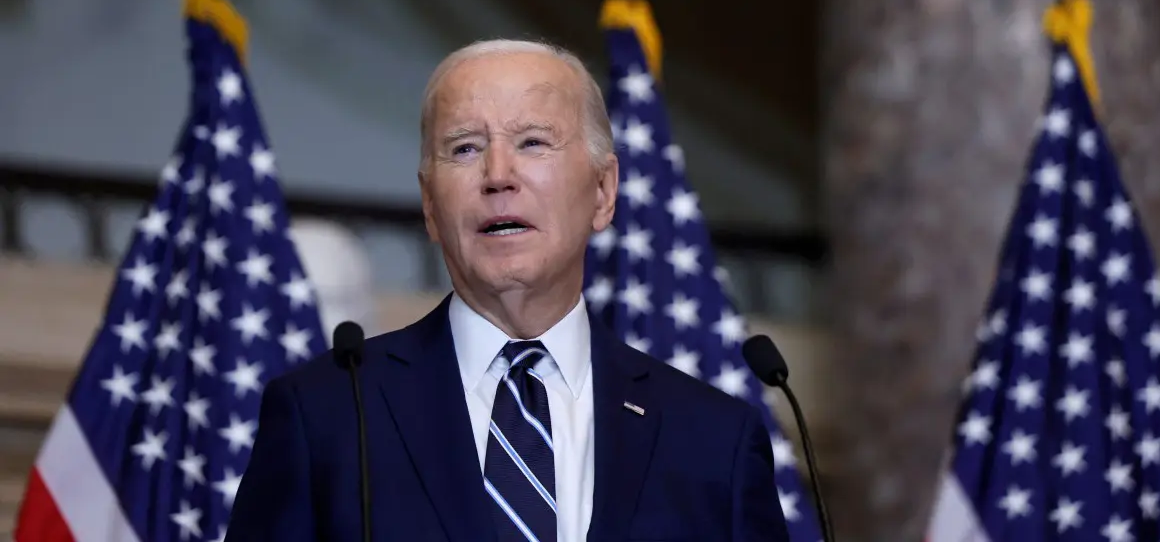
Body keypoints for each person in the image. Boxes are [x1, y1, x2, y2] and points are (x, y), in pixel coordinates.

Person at [225, 40, 790, 541]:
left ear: (602, 191)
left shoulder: (715, 442)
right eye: (466, 148)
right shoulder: (326, 415)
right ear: (429, 203)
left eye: (534, 142)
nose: (498, 173)